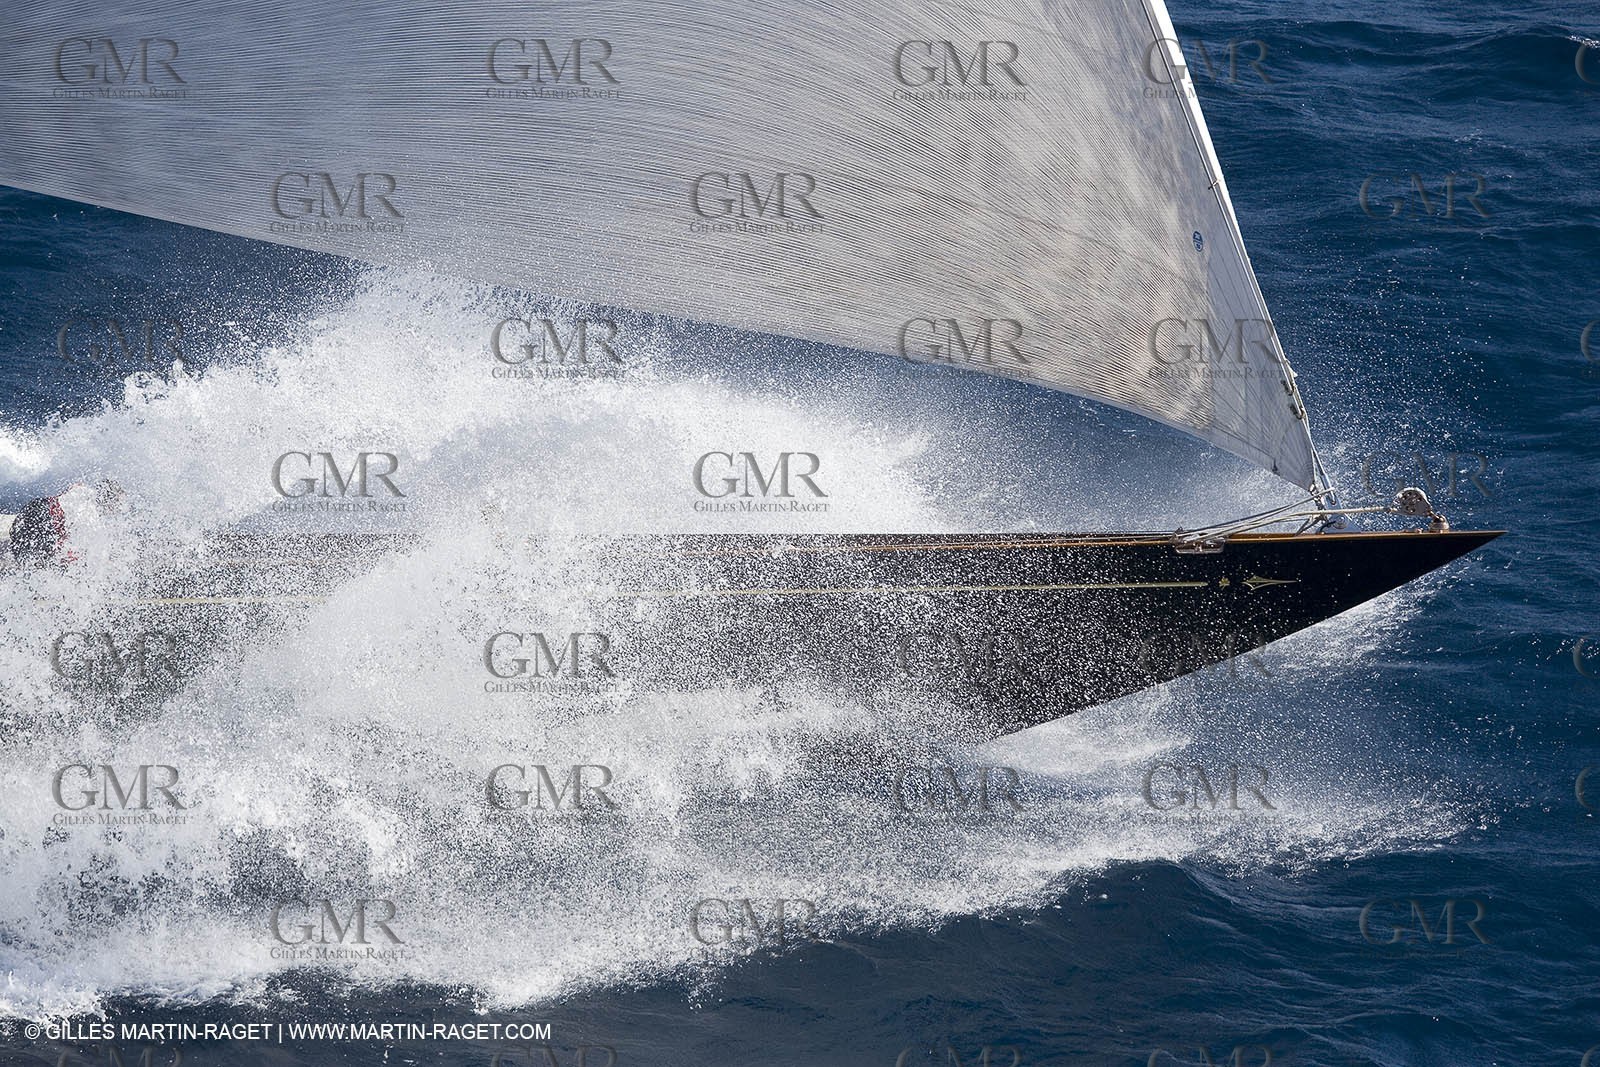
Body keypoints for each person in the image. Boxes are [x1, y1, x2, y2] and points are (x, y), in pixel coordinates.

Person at [1, 479, 124, 568]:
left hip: (37, 505)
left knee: (17, 543)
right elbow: (94, 553)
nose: (118, 509)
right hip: (44, 521)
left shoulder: (84, 490)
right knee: (32, 560)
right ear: (108, 501)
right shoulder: (91, 517)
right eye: (117, 504)